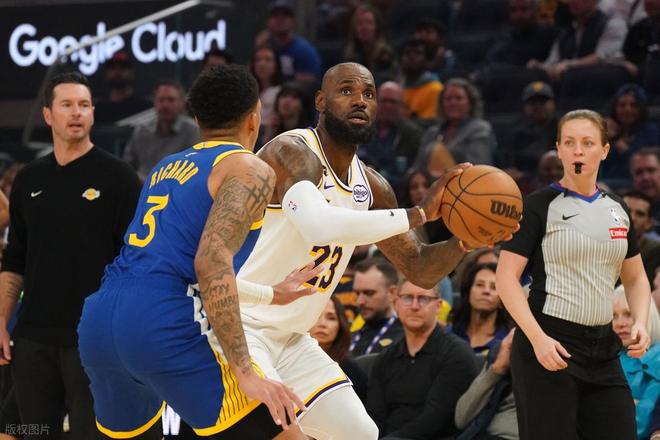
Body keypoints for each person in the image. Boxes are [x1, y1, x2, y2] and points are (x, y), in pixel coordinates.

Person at [233, 62, 505, 439]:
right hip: (240, 326)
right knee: (278, 431)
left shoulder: (373, 186)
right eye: (346, 91)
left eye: (369, 94)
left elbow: (419, 267)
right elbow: (317, 224)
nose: (360, 100)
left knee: (361, 433)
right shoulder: (291, 150)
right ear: (321, 101)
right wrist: (418, 214)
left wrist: (464, 241)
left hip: (292, 338)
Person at [77, 65, 319, 440]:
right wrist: (245, 372)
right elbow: (209, 262)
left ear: (197, 119)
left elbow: (166, 265)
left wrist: (271, 294)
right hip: (163, 321)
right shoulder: (249, 168)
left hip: (100, 321)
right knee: (285, 431)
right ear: (254, 117)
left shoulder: (164, 167)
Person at [0, 71, 142, 439]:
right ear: (48, 115)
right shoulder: (29, 179)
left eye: (84, 105)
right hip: (33, 339)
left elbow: (136, 263)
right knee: (29, 431)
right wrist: (1, 320)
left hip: (93, 340)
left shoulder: (119, 178)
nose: (76, 112)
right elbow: (15, 260)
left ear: (93, 113)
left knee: (87, 434)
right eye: (67, 105)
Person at [496, 109, 652, 440]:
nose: (578, 150)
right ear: (559, 149)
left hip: (604, 349)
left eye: (587, 143)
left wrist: (641, 321)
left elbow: (636, 278)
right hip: (549, 344)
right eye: (569, 143)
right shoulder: (537, 206)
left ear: (604, 150)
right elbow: (506, 279)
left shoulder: (618, 208)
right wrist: (537, 339)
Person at [366, 278, 479, 439]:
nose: (414, 306)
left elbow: (437, 418)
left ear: (438, 306)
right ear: (396, 303)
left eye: (423, 299)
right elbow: (374, 417)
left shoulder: (457, 353)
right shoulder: (385, 359)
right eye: (407, 298)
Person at [122, 79, 200, 181]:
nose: (165, 105)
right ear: (154, 102)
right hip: (142, 186)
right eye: (161, 100)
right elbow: (127, 164)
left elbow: (196, 168)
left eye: (171, 100)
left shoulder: (192, 130)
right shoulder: (142, 130)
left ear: (182, 103)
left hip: (177, 186)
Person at [613, 287, 660, 440]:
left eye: (628, 314)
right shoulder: (606, 360)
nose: (620, 323)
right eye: (613, 316)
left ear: (646, 315)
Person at [454, 329, 518, 440]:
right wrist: (497, 369)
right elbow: (461, 419)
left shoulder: (550, 360)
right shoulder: (505, 350)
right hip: (482, 434)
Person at [357, 81, 423, 186]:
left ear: (402, 105)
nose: (388, 106)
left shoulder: (412, 134)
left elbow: (410, 173)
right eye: (384, 101)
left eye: (393, 102)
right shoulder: (362, 128)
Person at [310, 295, 369, 401]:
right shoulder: (286, 362)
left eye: (331, 318)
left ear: (341, 325)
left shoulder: (352, 371)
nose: (322, 324)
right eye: (316, 316)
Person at [602, 83, 660, 184]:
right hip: (606, 184)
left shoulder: (651, 132)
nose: (627, 109)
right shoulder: (609, 132)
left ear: (641, 109)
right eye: (622, 105)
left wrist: (616, 140)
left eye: (634, 105)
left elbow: (639, 163)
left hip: (639, 183)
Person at [450, 263, 512, 357]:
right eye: (479, 285)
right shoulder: (449, 335)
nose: (486, 291)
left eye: (494, 287)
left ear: (502, 300)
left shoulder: (508, 342)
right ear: (468, 292)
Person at [350, 258, 404, 357]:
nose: (360, 301)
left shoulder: (407, 338)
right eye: (357, 293)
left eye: (369, 293)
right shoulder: (349, 338)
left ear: (392, 293)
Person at [343, 5, 398, 85]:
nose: (364, 27)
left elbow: (383, 82)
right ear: (354, 29)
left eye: (369, 23)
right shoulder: (351, 55)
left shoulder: (385, 55)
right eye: (360, 23)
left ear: (376, 27)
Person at [94, 51, 151, 124]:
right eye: (113, 68)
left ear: (131, 73)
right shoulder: (99, 110)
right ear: (106, 73)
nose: (117, 72)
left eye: (122, 68)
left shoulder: (143, 108)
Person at [623, 190, 660, 281]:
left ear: (649, 223)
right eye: (627, 210)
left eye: (640, 214)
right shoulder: (598, 241)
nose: (632, 218)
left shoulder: (655, 250)